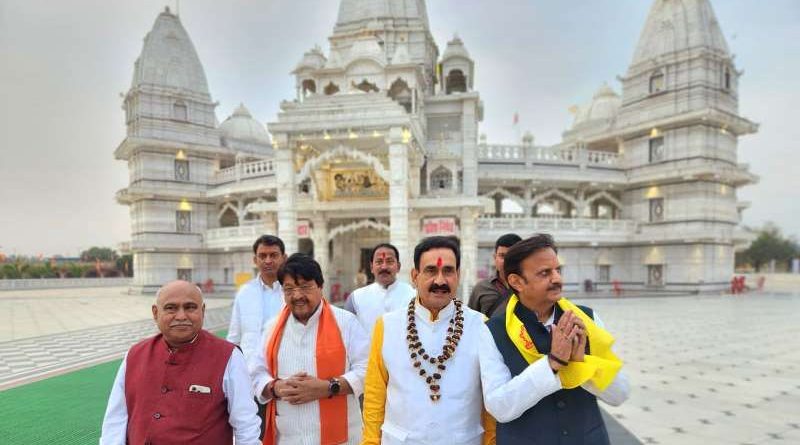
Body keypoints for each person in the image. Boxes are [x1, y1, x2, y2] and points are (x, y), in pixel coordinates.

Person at [482, 234, 630, 444]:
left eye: (557, 270)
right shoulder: (493, 331)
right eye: (545, 273)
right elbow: (499, 408)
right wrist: (552, 364)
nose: (557, 279)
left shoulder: (586, 320)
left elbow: (621, 394)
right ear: (516, 281)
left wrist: (583, 364)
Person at [361, 236, 495, 445]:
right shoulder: (387, 326)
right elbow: (374, 395)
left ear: (458, 275)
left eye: (448, 271)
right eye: (431, 271)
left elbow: (491, 399)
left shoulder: (481, 326)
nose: (440, 281)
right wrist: (370, 442)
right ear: (415, 276)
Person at [100, 281, 261, 445]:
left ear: (202, 311)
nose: (181, 316)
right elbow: (116, 420)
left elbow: (246, 425)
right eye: (171, 308)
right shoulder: (135, 355)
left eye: (190, 307)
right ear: (155, 313)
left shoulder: (229, 356)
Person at [249, 253, 369, 445]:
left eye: (305, 287)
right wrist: (276, 387)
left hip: (344, 439)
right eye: (289, 289)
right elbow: (256, 373)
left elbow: (367, 370)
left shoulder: (346, 322)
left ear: (320, 287)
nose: (297, 296)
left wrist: (329, 387)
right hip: (288, 438)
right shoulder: (272, 328)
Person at [227, 235, 287, 436]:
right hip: (251, 379)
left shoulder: (292, 292)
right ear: (255, 260)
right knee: (255, 433)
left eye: (273, 255)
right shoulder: (245, 293)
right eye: (263, 256)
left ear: (284, 257)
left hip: (286, 377)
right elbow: (234, 338)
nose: (268, 260)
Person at [344, 243, 415, 335]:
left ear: (398, 267)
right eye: (379, 262)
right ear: (371, 267)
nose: (384, 267)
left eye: (389, 261)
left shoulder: (414, 296)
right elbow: (346, 333)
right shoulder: (355, 299)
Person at [469, 233, 522, 318]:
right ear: (495, 258)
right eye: (502, 256)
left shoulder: (529, 287)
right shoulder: (481, 288)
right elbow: (470, 320)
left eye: (512, 256)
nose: (506, 261)